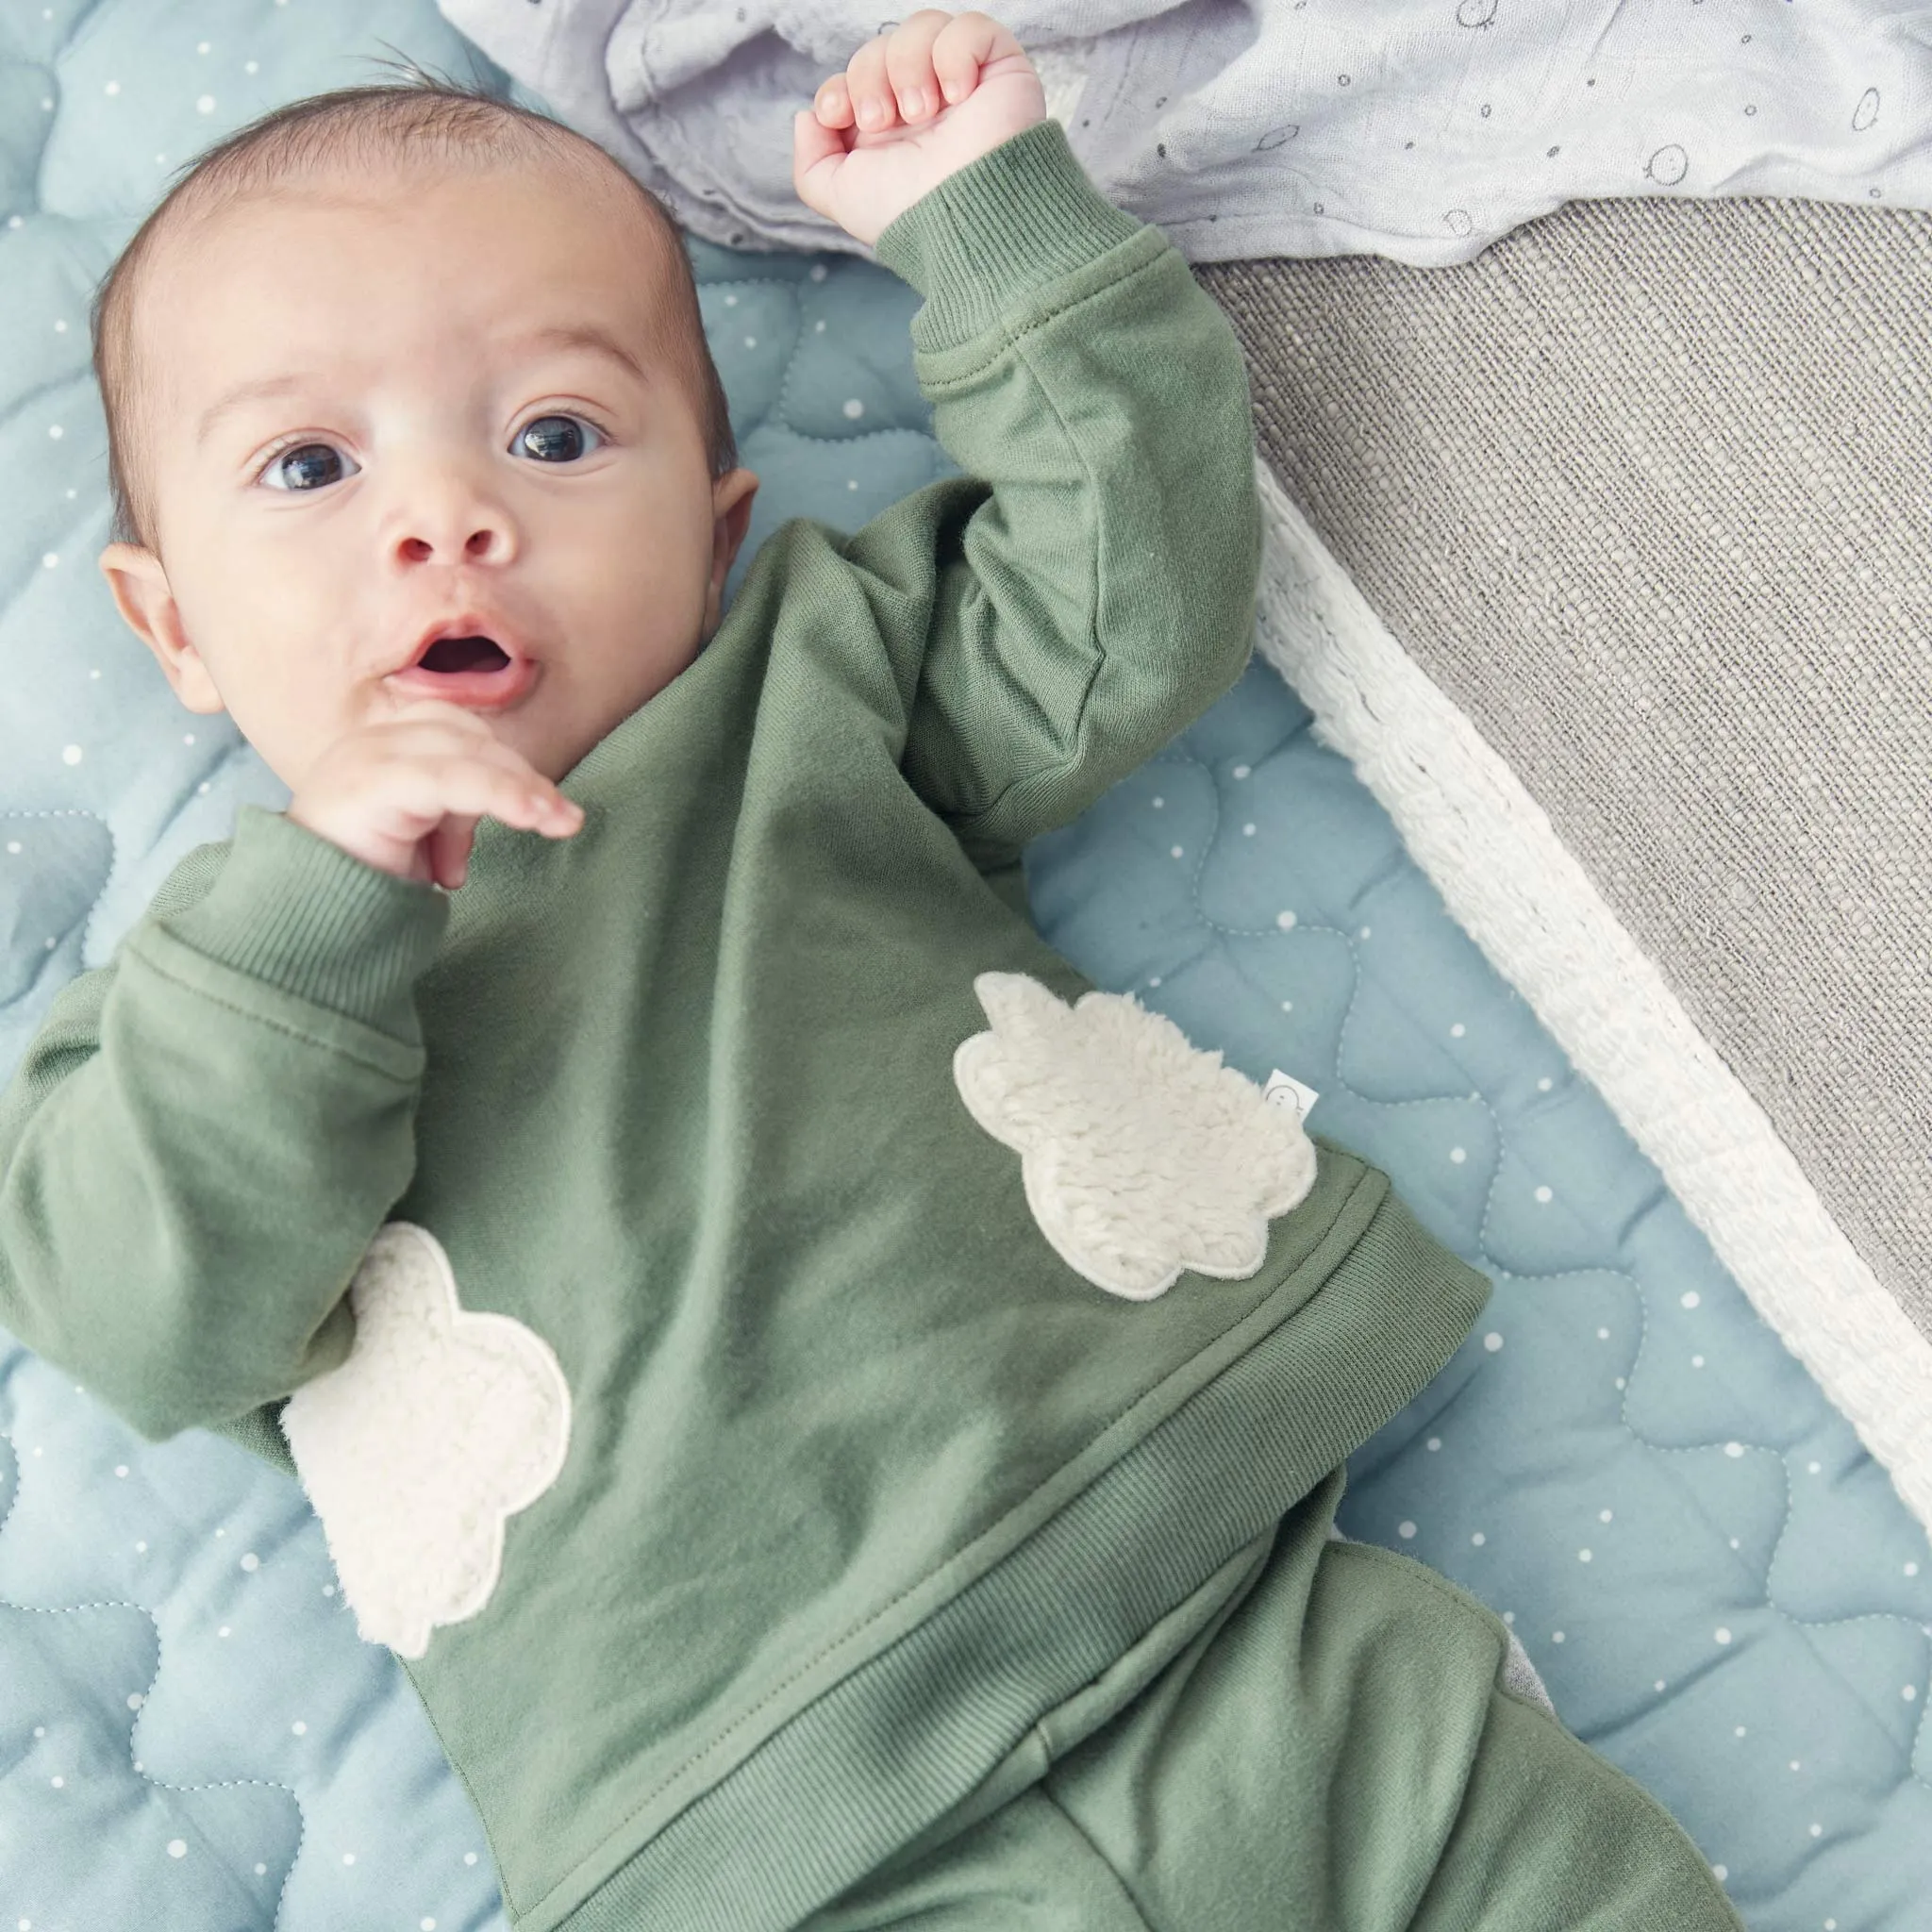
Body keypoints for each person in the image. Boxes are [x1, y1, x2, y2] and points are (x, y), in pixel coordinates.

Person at [0, 10, 1743, 1927]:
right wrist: (316, 912)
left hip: (1217, 1605)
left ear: (717, 528)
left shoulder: (808, 690)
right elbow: (152, 1314)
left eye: (557, 433)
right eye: (309, 465)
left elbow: (1124, 605)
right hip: (770, 1808)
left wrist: (986, 228)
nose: (447, 517)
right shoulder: (205, 1012)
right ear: (172, 626)